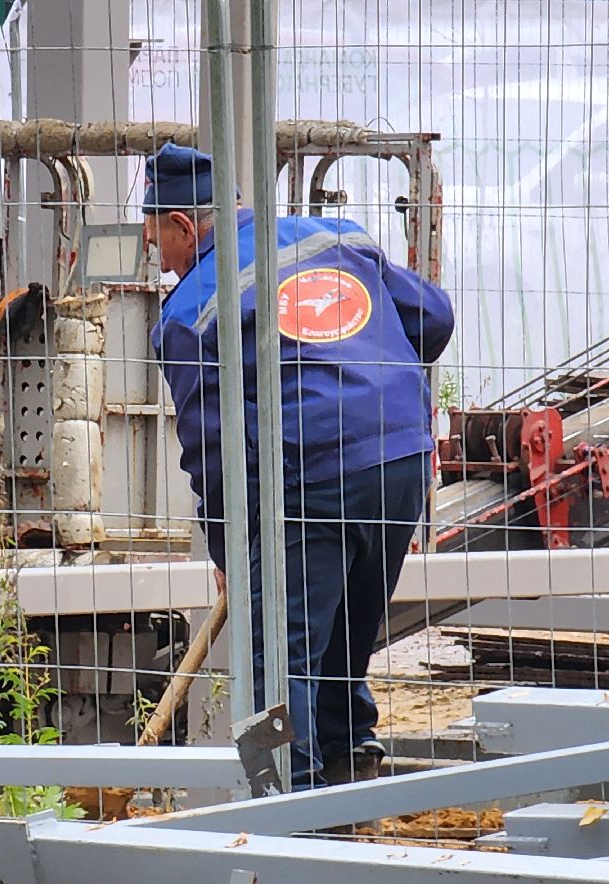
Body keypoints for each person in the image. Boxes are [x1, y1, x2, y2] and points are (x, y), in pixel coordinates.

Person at [142, 142, 455, 789]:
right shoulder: (335, 237)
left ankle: (292, 820)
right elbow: (434, 316)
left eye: (153, 234)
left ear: (181, 225)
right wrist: (367, 365)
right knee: (343, 653)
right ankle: (351, 785)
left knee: (277, 673)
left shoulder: (190, 311)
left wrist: (232, 552)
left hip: (310, 481)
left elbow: (213, 453)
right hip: (399, 462)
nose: (153, 251)